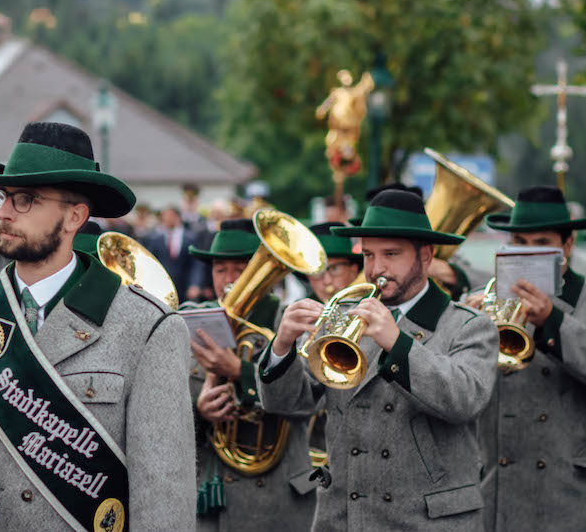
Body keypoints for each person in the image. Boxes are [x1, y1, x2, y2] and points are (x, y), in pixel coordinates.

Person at [0, 122, 196, 530]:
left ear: (74, 216)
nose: (2, 212)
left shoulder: (146, 328)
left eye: (26, 200)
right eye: (2, 196)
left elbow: (163, 492)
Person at [257, 189, 499, 530]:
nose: (376, 269)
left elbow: (465, 399)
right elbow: (290, 404)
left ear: (426, 256)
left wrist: (397, 344)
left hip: (430, 522)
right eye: (368, 255)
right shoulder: (343, 317)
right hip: (345, 518)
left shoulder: (469, 325)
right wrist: (282, 347)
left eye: (391, 254)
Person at [182, 219, 316, 531]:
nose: (229, 280)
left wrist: (239, 372)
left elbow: (307, 402)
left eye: (240, 268)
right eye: (220, 269)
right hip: (208, 493)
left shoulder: (292, 321)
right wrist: (198, 412)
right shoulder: (190, 319)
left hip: (275, 498)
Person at [471, 185, 586, 530]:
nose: (529, 254)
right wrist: (467, 325)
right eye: (519, 243)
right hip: (497, 485)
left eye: (541, 244)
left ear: (566, 246)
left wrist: (552, 320)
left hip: (567, 488)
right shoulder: (484, 297)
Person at [302, 222, 363, 303]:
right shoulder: (300, 308)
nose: (327, 281)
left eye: (335, 269)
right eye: (317, 273)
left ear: (354, 269)